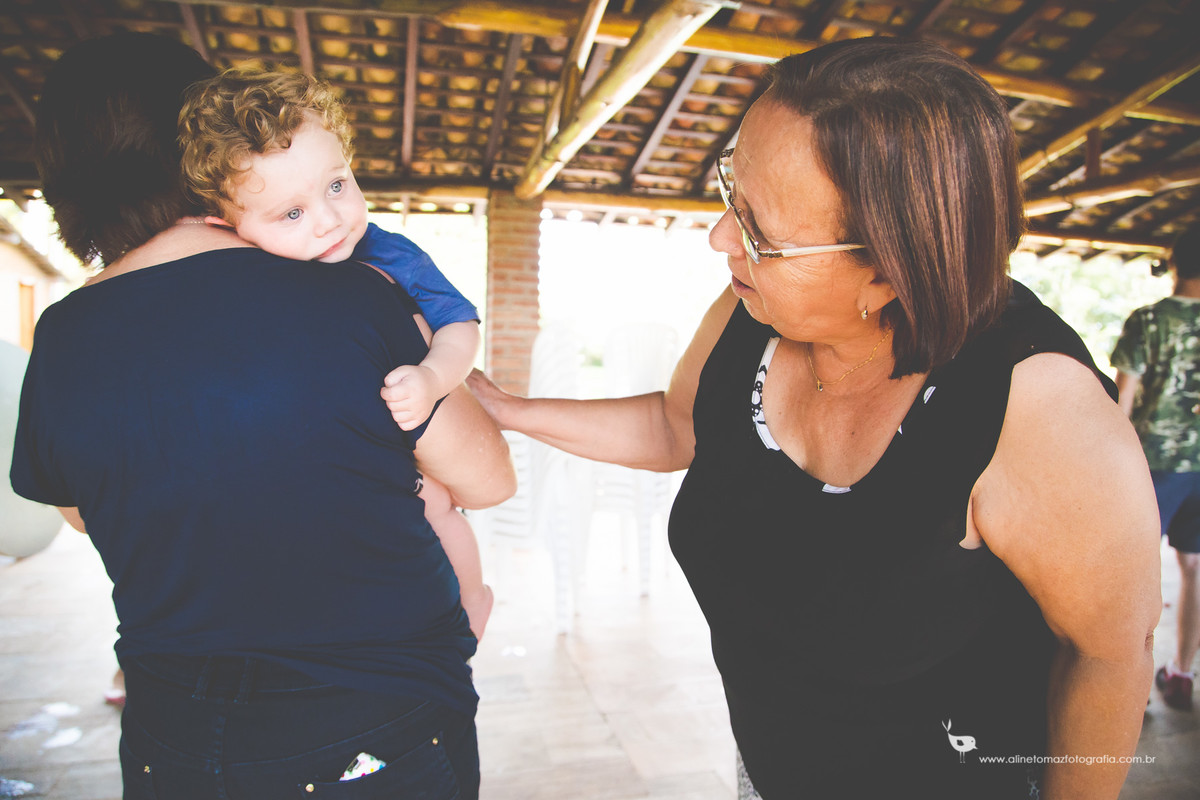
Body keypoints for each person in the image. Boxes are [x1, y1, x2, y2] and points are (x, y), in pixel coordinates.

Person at [466, 37, 1161, 799]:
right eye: (734, 191)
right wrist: (511, 410)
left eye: (759, 230)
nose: (721, 237)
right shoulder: (754, 312)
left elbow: (1108, 654)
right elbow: (679, 427)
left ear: (890, 269)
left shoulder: (1037, 410)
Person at [10, 31, 514, 800]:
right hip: (374, 726)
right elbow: (487, 479)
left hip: (173, 735)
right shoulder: (352, 294)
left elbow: (82, 513)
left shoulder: (66, 334)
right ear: (202, 150)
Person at [177, 67, 492, 640]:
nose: (328, 220)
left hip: (407, 448)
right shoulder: (245, 279)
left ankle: (473, 600)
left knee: (440, 504)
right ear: (227, 227)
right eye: (292, 214)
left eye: (337, 185)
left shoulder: (392, 254)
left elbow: (462, 325)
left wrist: (431, 378)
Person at [1112, 224, 1200, 712]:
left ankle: (1133, 688)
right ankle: (1183, 674)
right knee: (1194, 569)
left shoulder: (1149, 320)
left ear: (1175, 264)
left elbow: (1122, 398)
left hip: (1153, 467)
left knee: (1137, 577)